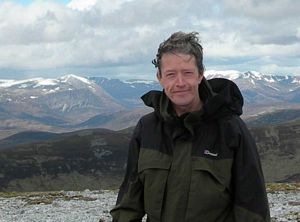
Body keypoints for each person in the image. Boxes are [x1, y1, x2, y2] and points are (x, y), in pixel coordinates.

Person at [110, 31, 270, 222]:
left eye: (187, 73)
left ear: (200, 75)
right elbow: (129, 203)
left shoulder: (231, 130)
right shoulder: (147, 128)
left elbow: (252, 208)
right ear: (160, 77)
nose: (180, 83)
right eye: (171, 74)